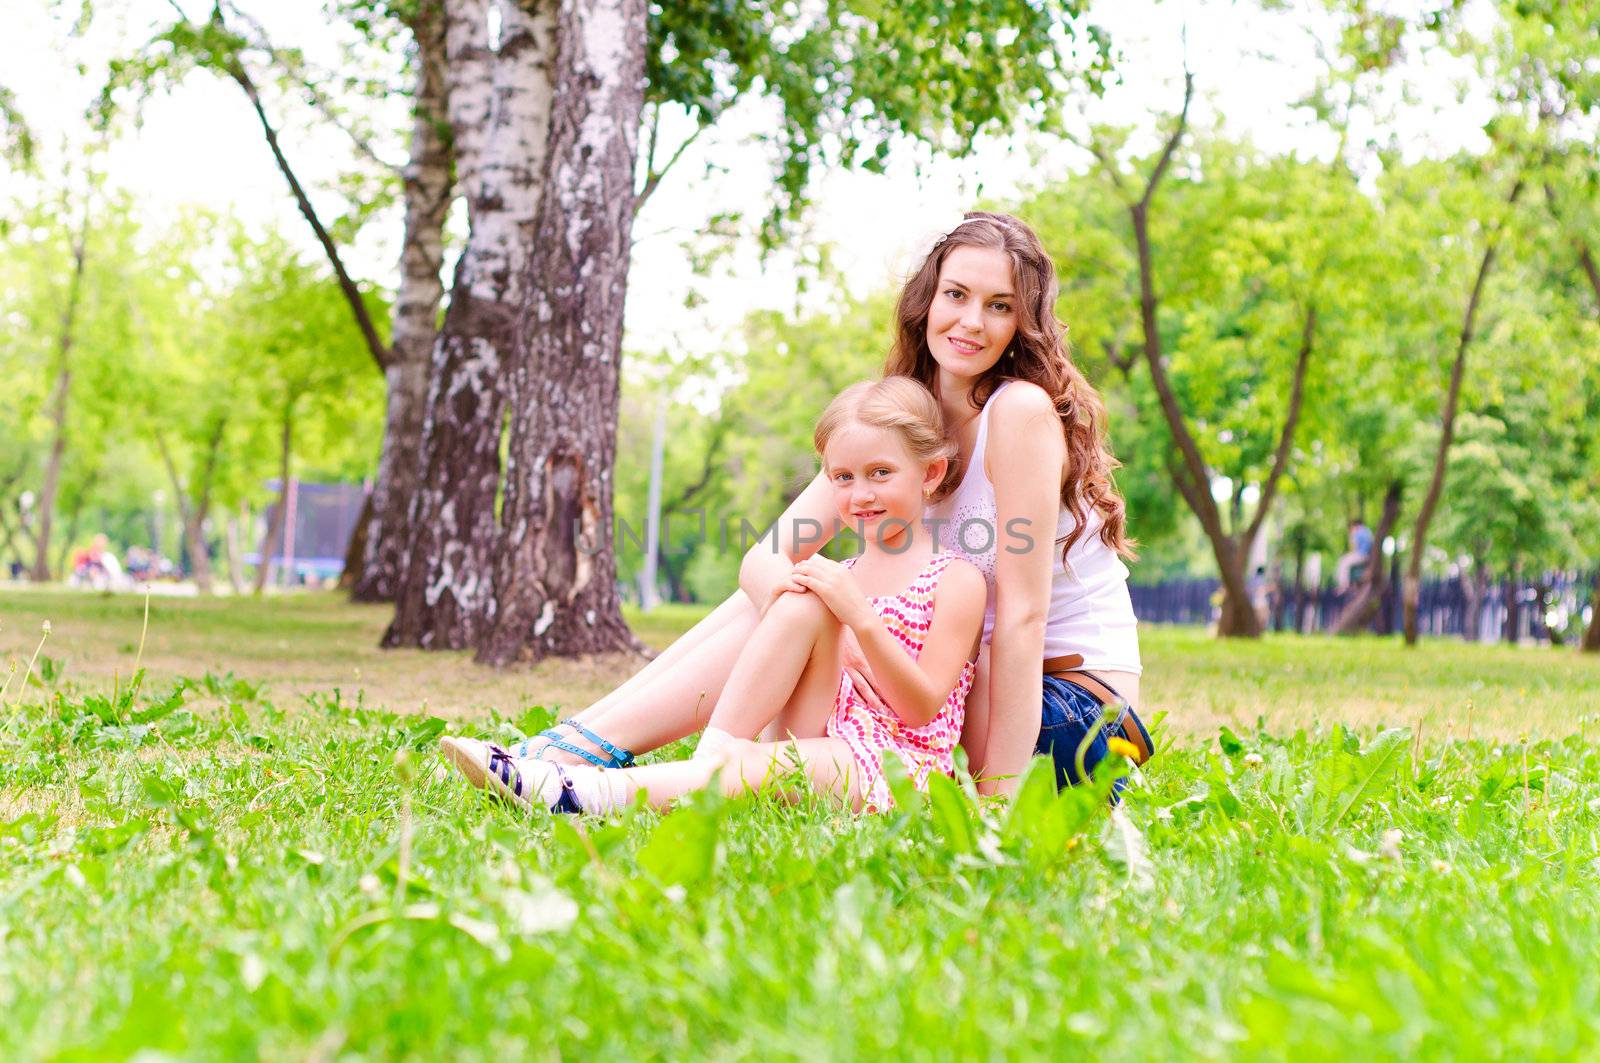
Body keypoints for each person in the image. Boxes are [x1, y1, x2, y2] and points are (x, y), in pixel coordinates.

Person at [492, 211, 1149, 797]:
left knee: (809, 597)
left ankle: (584, 753)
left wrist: (999, 800)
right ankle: (579, 741)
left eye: (999, 306)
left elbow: (1024, 619)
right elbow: (768, 555)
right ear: (927, 300)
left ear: (1021, 323)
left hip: (1069, 714)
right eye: (956, 295)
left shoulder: (1020, 412)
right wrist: (833, 625)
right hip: (957, 688)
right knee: (790, 588)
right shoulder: (905, 418)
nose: (972, 321)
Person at [441, 378, 988, 814]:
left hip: (894, 765)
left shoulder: (955, 579)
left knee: (763, 764)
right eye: (841, 477)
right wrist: (833, 612)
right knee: (796, 600)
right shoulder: (839, 576)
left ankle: (572, 791)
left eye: (880, 474)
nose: (859, 494)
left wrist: (860, 620)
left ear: (931, 472)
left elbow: (921, 708)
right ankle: (712, 761)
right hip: (823, 738)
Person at [1335, 518, 1374, 593]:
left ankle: (1343, 585)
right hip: (1367, 556)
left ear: (1355, 525)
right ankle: (1353, 585)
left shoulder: (1359, 532)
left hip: (1361, 555)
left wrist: (1352, 536)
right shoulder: (1367, 531)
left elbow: (1354, 547)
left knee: (1343, 562)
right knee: (1347, 562)